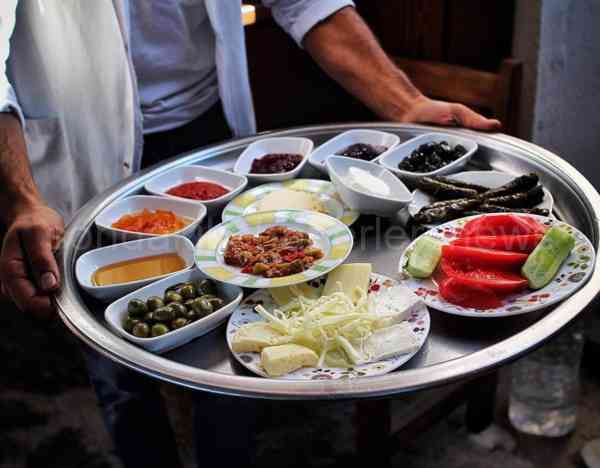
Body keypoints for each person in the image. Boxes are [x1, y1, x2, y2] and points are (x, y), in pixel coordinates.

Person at [0, 1, 501, 466]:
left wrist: (405, 103)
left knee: (235, 347)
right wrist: (21, 195)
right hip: (87, 156)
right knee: (120, 360)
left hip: (207, 140)